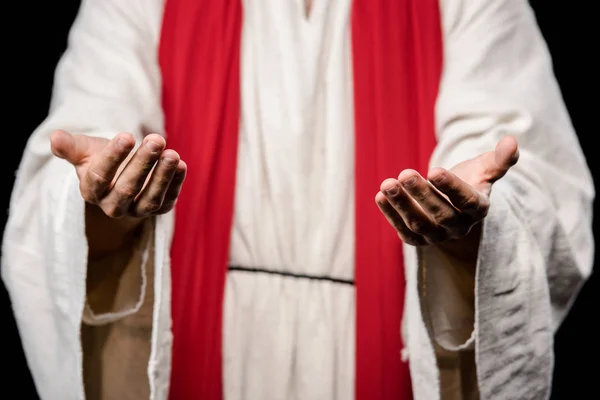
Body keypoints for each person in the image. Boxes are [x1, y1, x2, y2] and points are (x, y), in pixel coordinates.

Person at [2, 0, 594, 399]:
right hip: (203, 342)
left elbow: (523, 169)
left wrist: (469, 222)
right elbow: (83, 160)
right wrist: (104, 200)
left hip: (385, 348)